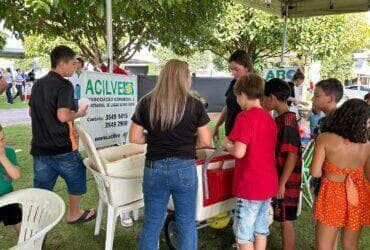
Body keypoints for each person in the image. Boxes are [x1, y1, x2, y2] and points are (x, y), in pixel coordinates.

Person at [129, 59, 212, 250]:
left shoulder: (146, 102)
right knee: (186, 223)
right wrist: (188, 143)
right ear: (184, 78)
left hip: (154, 169)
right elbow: (207, 142)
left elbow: (134, 137)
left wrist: (155, 139)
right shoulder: (195, 104)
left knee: (152, 222)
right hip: (184, 168)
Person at [29, 45, 95, 224]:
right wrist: (79, 114)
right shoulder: (65, 85)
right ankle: (74, 213)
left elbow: (32, 112)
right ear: (62, 64)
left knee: (42, 189)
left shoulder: (38, 84)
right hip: (62, 147)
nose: (75, 67)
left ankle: (35, 224)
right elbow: (63, 115)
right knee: (78, 176)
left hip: (40, 149)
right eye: (73, 63)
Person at [221, 74, 278, 250]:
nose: (238, 101)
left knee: (243, 234)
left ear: (243, 95)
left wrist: (226, 144)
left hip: (250, 185)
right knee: (261, 229)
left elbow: (239, 151)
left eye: (237, 96)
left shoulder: (244, 117)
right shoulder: (269, 118)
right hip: (268, 183)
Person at [310, 99, 370, 250]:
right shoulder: (367, 145)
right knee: (350, 245)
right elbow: (368, 176)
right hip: (357, 194)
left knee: (324, 246)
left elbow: (315, 172)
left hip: (331, 194)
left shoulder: (324, 138)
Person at [263, 78, 302, 250]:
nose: (263, 102)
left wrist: (281, 184)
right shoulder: (282, 119)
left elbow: (292, 156)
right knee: (283, 219)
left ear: (272, 97)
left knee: (286, 221)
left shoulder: (287, 122)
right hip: (282, 179)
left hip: (287, 181)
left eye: (264, 98)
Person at [311, 78, 344, 196]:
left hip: (334, 185)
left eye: (317, 96)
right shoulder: (323, 121)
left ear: (330, 98)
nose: (312, 99)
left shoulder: (342, 123)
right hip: (322, 179)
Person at [213, 50, 253, 142]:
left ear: (247, 67)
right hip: (231, 134)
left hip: (245, 137)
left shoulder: (255, 86)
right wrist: (217, 125)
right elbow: (228, 106)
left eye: (236, 69)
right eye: (231, 69)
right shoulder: (234, 83)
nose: (233, 73)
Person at [0, 124, 22, 233]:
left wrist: (2, 157)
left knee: (18, 221)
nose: (1, 144)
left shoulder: (8, 152)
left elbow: (16, 175)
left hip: (7, 196)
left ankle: (28, 242)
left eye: (2, 139)